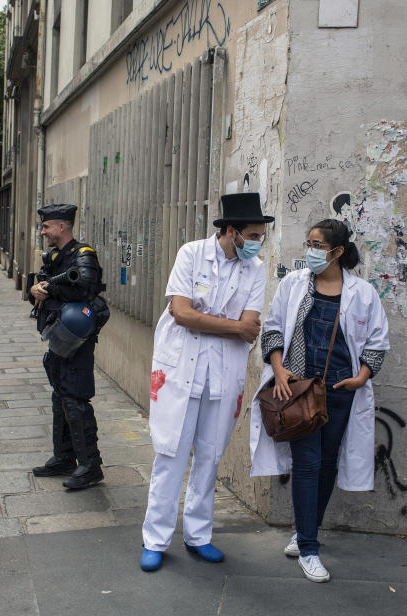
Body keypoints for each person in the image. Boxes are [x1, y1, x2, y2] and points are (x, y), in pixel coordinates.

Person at [250, 218, 389, 582]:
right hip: (299, 392)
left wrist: (361, 377)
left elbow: (376, 343)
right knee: (308, 464)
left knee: (327, 464)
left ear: (337, 251)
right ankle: (309, 548)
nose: (310, 251)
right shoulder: (294, 284)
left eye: (317, 245)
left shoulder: (362, 293)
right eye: (308, 243)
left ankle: (304, 531)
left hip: (341, 394)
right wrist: (280, 371)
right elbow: (274, 328)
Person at [139, 192, 271, 573]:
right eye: (252, 234)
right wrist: (231, 326)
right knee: (171, 455)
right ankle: (155, 539)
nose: (257, 243)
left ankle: (198, 535)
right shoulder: (192, 254)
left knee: (210, 458)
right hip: (180, 371)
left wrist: (212, 321)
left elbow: (251, 329)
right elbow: (181, 313)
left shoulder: (255, 270)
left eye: (260, 236)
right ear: (231, 231)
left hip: (222, 375)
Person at [30, 204, 110, 491]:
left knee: (76, 400)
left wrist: (49, 288)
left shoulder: (83, 255)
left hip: (77, 340)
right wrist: (35, 289)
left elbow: (86, 286)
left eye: (46, 226)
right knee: (60, 397)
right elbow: (39, 283)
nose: (43, 231)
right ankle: (64, 457)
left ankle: (90, 465)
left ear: (62, 226)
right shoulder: (54, 257)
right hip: (57, 336)